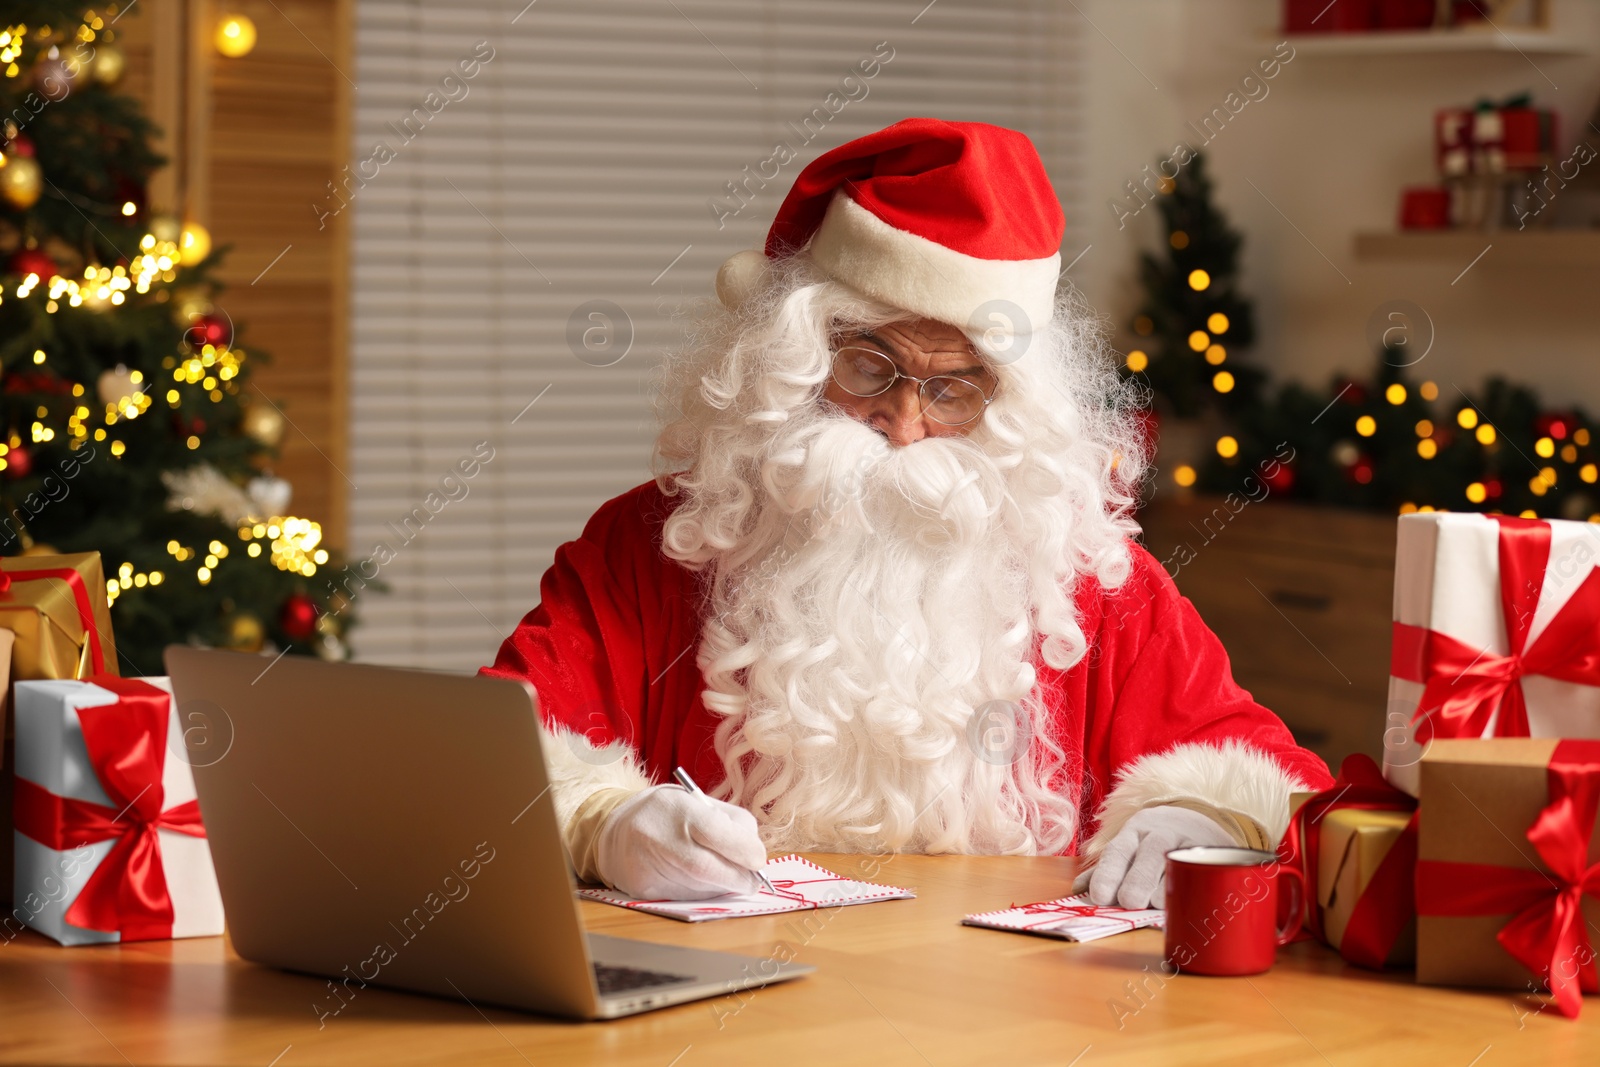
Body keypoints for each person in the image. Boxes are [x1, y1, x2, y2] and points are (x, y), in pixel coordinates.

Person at [481, 117, 1333, 909]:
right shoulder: (650, 544)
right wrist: (597, 824)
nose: (906, 423)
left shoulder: (1091, 576)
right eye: (869, 368)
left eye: (953, 387)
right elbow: (482, 762)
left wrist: (1217, 824)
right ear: (796, 359)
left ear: (1008, 408)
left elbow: (1283, 790)